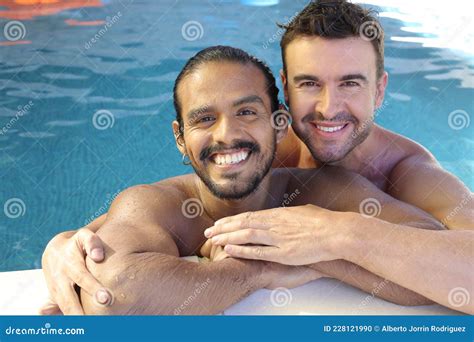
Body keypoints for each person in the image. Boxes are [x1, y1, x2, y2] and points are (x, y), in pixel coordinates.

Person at [42, 46, 445, 315]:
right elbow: (112, 296)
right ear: (180, 139)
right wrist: (254, 271)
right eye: (203, 119)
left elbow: (430, 257)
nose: (225, 135)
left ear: (279, 125)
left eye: (247, 112)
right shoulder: (153, 205)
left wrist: (322, 251)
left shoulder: (323, 190)